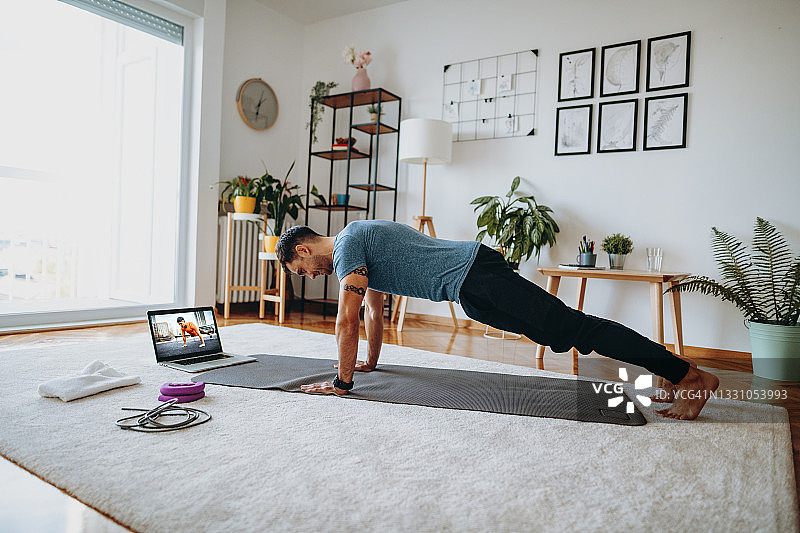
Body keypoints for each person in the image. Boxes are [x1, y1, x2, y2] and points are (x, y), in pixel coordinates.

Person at [275, 220, 719, 420]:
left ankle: (691, 377)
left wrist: (343, 383)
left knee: (576, 328)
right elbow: (373, 309)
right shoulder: (357, 245)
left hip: (477, 275)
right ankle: (671, 367)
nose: (310, 276)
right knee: (560, 334)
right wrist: (370, 362)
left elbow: (346, 320)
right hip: (470, 290)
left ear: (303, 250)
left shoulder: (349, 244)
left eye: (302, 270)